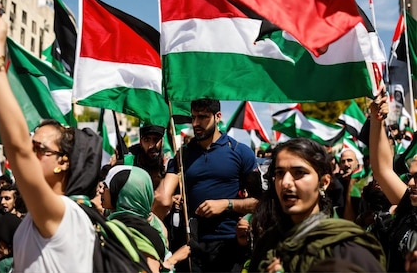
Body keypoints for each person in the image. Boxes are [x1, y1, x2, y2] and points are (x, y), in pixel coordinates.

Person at [0, 6, 98, 272]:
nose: (29, 152)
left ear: (63, 163)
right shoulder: (37, 217)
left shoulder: (61, 214)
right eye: (31, 143)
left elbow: (17, 147)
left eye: (39, 148)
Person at [247, 137, 386, 273]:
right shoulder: (268, 243)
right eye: (280, 173)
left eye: (299, 173)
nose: (285, 182)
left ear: (324, 182)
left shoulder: (347, 248)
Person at [155, 98, 260, 272]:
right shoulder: (183, 155)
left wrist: (227, 204)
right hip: (191, 245)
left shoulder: (240, 152)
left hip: (229, 245)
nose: (196, 123)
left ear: (218, 116)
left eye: (203, 117)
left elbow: (260, 203)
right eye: (193, 117)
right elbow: (162, 197)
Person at [370, 89, 417, 272]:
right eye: (412, 176)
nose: (411, 183)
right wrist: (377, 119)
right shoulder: (408, 204)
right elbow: (382, 169)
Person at [126, 124, 167, 190]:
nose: (151, 145)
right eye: (147, 140)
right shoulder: (129, 163)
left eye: (156, 140)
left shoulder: (169, 165)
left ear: (162, 141)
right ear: (141, 142)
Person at [335, 148, 363, 221]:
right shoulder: (336, 182)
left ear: (357, 162)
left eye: (349, 160)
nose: (346, 164)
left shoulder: (364, 181)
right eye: (343, 161)